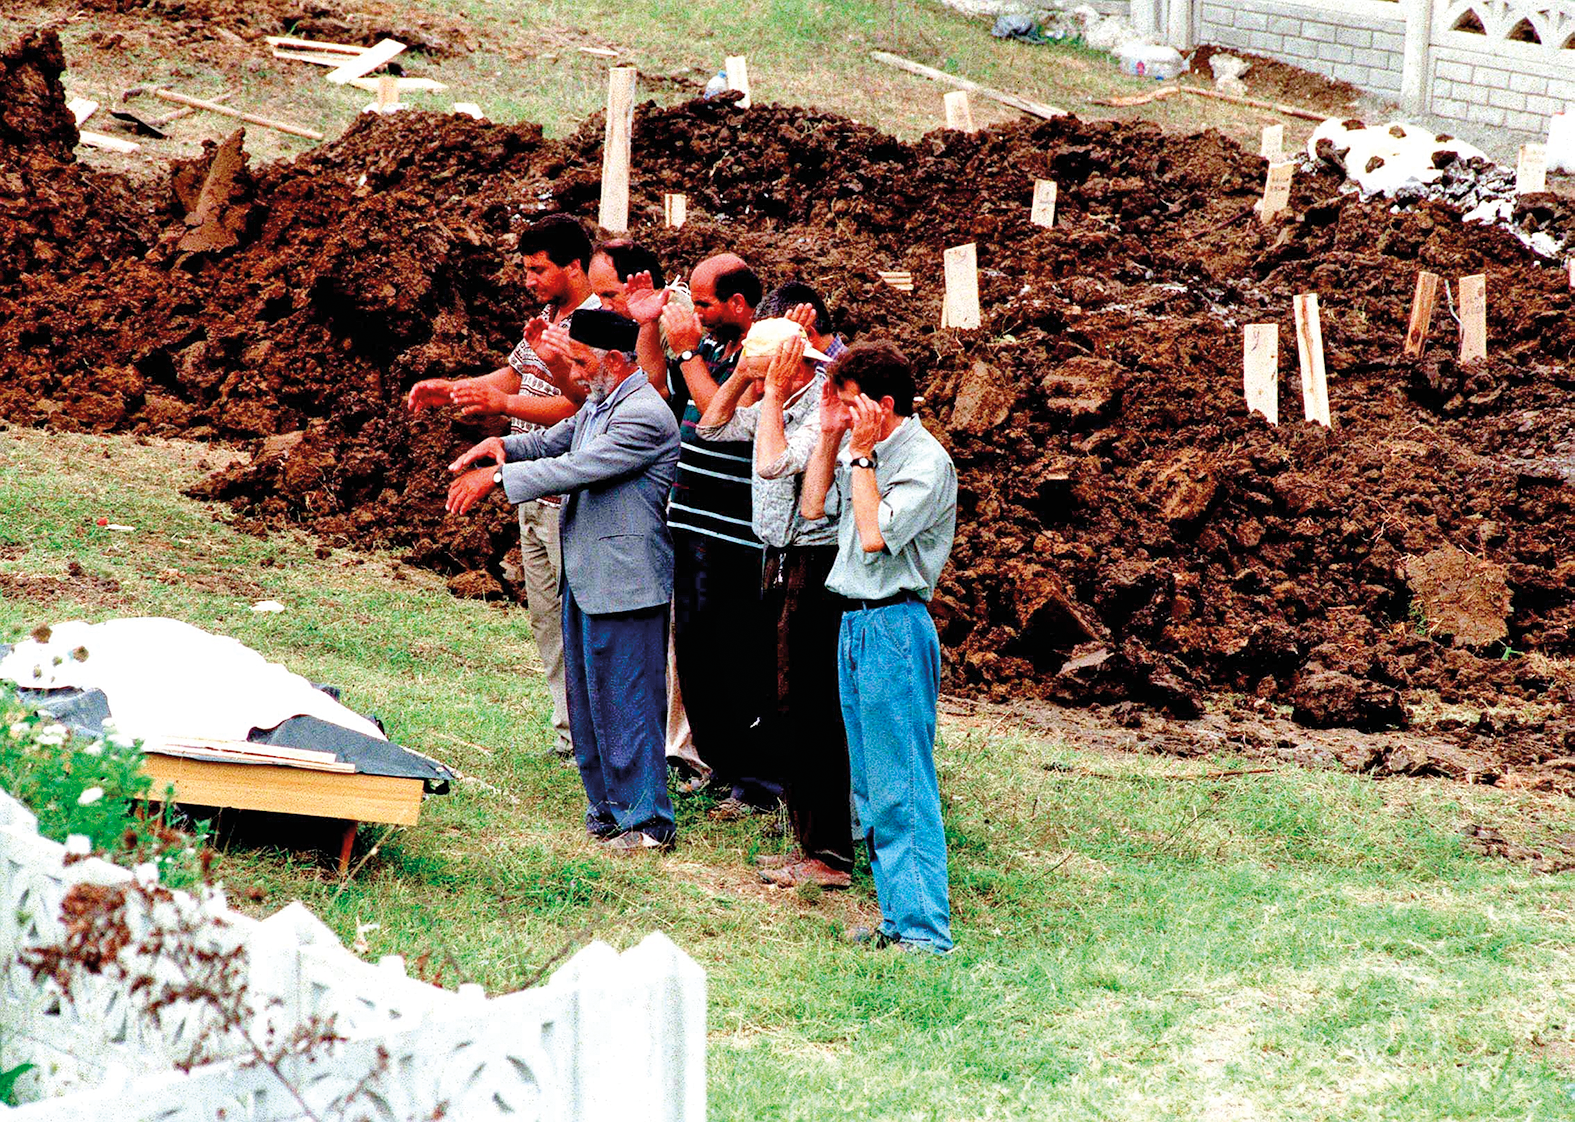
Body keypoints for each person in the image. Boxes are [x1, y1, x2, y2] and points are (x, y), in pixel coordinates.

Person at [447, 309, 681, 852]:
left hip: (626, 583)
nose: (570, 372)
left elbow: (580, 466)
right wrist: (503, 446)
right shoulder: (604, 401)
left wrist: (499, 478)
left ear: (615, 361)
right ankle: (609, 810)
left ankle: (647, 823)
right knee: (589, 701)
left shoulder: (645, 414)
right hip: (591, 573)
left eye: (579, 361)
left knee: (628, 703)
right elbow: (556, 441)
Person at [406, 213, 599, 760]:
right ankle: (570, 735)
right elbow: (511, 377)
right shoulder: (548, 316)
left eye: (539, 270)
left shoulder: (595, 326)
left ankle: (593, 734)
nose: (529, 279)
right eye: (526, 269)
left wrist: (504, 405)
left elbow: (580, 406)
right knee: (546, 618)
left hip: (569, 496)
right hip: (530, 492)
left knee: (578, 618)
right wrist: (455, 390)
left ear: (574, 266)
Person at [800, 342, 958, 953]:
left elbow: (872, 536)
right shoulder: (859, 452)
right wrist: (828, 435)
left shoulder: (922, 461)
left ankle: (923, 933)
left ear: (882, 404)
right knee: (869, 785)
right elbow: (814, 508)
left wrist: (860, 457)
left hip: (894, 627)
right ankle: (897, 917)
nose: (841, 413)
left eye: (848, 402)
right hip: (857, 625)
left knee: (902, 785)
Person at [696, 316, 854, 888]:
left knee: (810, 706)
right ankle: (809, 843)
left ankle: (829, 852)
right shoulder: (777, 399)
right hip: (779, 561)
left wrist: (775, 394)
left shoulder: (820, 406)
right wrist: (742, 376)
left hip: (815, 564)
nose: (758, 390)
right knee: (785, 701)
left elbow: (771, 462)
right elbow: (711, 429)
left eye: (762, 375)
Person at [660, 255, 779, 817]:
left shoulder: (764, 355)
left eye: (705, 303)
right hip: (692, 521)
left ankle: (756, 782)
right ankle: (723, 765)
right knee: (696, 656)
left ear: (738, 303)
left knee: (736, 658)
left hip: (735, 536)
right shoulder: (713, 348)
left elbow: (719, 418)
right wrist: (651, 328)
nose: (698, 313)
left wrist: (685, 350)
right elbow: (663, 386)